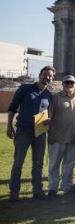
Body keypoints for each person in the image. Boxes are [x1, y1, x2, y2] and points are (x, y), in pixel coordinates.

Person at [7, 65, 55, 201]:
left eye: (50, 76)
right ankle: (14, 191)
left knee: (38, 162)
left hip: (40, 131)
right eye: (45, 74)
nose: (47, 78)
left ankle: (37, 191)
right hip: (23, 130)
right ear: (40, 74)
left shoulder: (49, 95)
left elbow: (48, 114)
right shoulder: (25, 88)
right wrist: (9, 126)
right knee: (18, 162)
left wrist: (49, 121)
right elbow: (12, 107)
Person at [47, 75, 75, 198]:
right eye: (67, 83)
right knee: (54, 164)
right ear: (62, 84)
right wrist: (50, 133)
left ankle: (67, 187)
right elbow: (49, 117)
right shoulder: (56, 98)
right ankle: (52, 188)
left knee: (69, 165)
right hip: (57, 137)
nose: (69, 85)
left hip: (74, 138)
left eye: (72, 83)